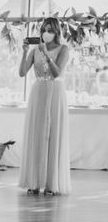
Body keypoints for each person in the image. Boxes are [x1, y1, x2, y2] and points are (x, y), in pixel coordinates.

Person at [18, 18, 71, 195]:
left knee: (53, 135)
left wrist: (46, 54)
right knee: (37, 135)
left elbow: (57, 73)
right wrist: (25, 52)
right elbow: (22, 72)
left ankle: (51, 184)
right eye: (43, 30)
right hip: (38, 93)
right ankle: (34, 182)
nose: (45, 33)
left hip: (55, 93)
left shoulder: (64, 49)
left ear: (56, 32)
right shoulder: (35, 50)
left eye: (49, 30)